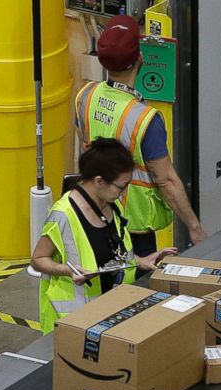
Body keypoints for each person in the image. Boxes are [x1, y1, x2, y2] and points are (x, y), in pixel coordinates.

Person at [75, 14, 208, 263]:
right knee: (138, 294)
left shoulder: (86, 96)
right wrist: (193, 226)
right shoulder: (145, 119)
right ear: (139, 59)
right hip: (134, 228)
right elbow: (166, 180)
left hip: (94, 213)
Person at [32, 138, 177, 333]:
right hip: (76, 322)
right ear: (99, 181)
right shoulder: (64, 214)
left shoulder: (111, 205)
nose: (124, 192)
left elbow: (113, 254)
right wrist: (68, 271)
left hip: (112, 313)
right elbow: (38, 259)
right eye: (121, 186)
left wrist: (141, 261)